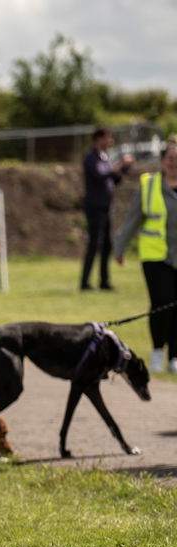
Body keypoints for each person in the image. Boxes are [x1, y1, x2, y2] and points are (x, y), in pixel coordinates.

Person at [114, 138, 177, 374]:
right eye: (170, 158)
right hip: (155, 256)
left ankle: (175, 357)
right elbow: (132, 220)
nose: (174, 162)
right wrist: (119, 248)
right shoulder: (150, 185)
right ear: (162, 161)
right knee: (162, 303)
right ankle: (158, 351)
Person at [81, 126, 134, 290]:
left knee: (106, 245)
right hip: (94, 207)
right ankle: (84, 282)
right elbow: (101, 175)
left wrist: (123, 170)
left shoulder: (105, 157)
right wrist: (119, 165)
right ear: (99, 139)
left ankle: (104, 281)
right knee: (94, 244)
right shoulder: (91, 157)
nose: (110, 141)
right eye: (107, 138)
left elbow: (112, 179)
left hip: (106, 206)